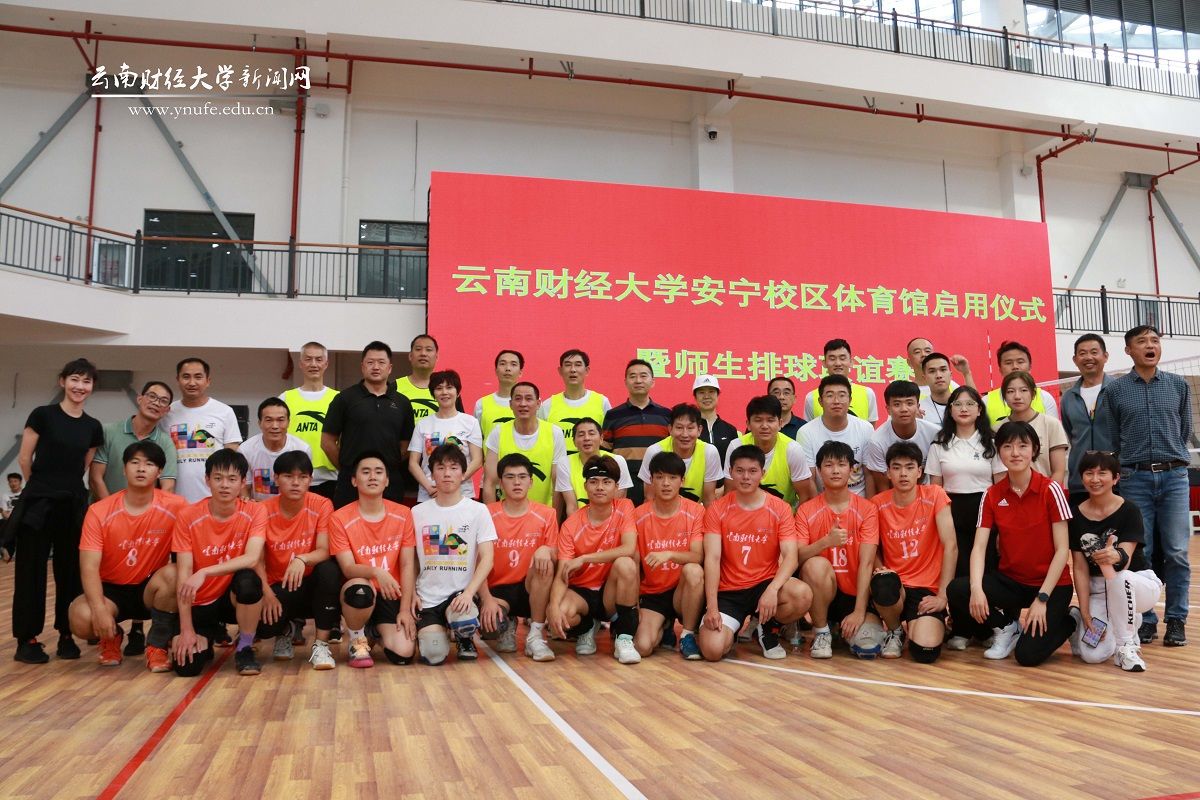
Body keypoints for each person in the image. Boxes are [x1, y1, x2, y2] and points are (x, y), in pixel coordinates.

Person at [946, 421, 1075, 666]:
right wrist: (976, 589)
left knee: (1027, 656)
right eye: (1007, 446)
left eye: (1022, 446)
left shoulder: (1051, 490)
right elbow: (979, 548)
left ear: (1034, 450)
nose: (1015, 453)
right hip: (1012, 582)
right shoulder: (992, 494)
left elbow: (1062, 551)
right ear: (999, 451)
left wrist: (1042, 598)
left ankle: (1071, 620)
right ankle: (1007, 627)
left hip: (1051, 585)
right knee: (958, 589)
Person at [10, 358, 104, 664]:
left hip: (72, 504)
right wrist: (40, 487)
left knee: (70, 572)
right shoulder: (43, 415)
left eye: (86, 381)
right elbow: (25, 458)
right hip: (38, 503)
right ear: (63, 381)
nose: (80, 386)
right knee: (31, 573)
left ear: (92, 387)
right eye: (75, 379)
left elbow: (84, 466)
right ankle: (27, 640)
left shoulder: (92, 426)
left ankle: (67, 634)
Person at [1106, 325, 1191, 647]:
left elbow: (1184, 430)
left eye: (1154, 340)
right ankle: (1147, 620)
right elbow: (1113, 436)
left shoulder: (1178, 386)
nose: (1150, 345)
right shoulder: (1116, 390)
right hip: (1135, 479)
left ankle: (1176, 620)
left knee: (1177, 552)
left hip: (1174, 477)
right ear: (1129, 350)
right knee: (1142, 552)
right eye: (1141, 342)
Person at [68, 442, 186, 669]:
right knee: (80, 617)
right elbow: (89, 567)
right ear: (124, 469)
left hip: (149, 588)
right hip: (111, 590)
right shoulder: (99, 511)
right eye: (134, 463)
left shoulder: (176, 506)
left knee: (174, 573)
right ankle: (111, 638)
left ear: (159, 472)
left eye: (149, 464)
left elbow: (205, 519)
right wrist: (100, 611)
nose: (141, 468)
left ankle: (157, 645)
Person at [699, 445, 813, 661]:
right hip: (729, 590)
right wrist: (711, 606)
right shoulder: (717, 509)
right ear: (730, 472)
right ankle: (731, 631)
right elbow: (712, 559)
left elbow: (791, 557)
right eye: (739, 471)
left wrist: (773, 589)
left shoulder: (780, 508)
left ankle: (767, 627)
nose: (746, 477)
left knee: (802, 594)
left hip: (764, 585)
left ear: (763, 473)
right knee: (712, 651)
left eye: (752, 471)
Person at [160, 448, 267, 677]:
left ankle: (245, 647)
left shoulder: (255, 511)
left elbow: (251, 558)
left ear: (243, 482)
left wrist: (205, 571)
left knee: (249, 582)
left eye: (232, 479)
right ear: (207, 480)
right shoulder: (188, 516)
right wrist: (186, 629)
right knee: (187, 668)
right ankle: (204, 639)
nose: (224, 485)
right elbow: (184, 573)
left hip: (231, 599)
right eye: (218, 478)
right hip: (201, 601)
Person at [1068, 451, 1163, 672]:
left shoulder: (1130, 510)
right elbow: (1080, 568)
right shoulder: (1075, 516)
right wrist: (1085, 612)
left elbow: (1124, 563)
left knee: (1120, 579)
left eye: (1102, 473)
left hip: (1137, 584)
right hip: (1099, 591)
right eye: (1089, 473)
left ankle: (1125, 646)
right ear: (1082, 477)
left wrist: (1116, 556)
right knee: (1092, 655)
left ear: (1116, 478)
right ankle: (1078, 620)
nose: (1095, 479)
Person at [547, 457, 641, 664]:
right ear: (585, 486)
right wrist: (553, 606)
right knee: (561, 614)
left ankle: (624, 638)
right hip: (582, 593)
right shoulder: (571, 525)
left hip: (610, 591)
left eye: (606, 482)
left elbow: (628, 548)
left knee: (626, 563)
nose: (600, 487)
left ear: (616, 487)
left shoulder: (625, 507)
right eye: (594, 482)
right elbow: (563, 572)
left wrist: (585, 558)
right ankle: (587, 627)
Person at [253, 451, 341, 670]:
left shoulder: (322, 504)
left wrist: (302, 559)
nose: (295, 483)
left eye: (302, 477)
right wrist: (267, 594)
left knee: (329, 571)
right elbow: (256, 560)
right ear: (276, 479)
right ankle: (284, 630)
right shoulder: (262, 510)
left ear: (310, 480)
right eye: (288, 476)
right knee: (264, 627)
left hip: (311, 585)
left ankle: (321, 645)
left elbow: (325, 550)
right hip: (279, 586)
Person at [328, 452, 417, 668]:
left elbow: (407, 565)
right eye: (365, 472)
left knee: (404, 654)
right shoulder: (339, 518)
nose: (372, 477)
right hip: (360, 591)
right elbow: (348, 568)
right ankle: (357, 640)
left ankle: (374, 631)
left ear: (387, 481)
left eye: (378, 472)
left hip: (391, 592)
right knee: (360, 590)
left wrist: (405, 609)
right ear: (354, 480)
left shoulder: (404, 514)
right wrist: (377, 572)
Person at [870, 443, 957, 662]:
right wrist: (881, 570)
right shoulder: (877, 504)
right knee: (883, 583)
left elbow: (951, 546)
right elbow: (871, 549)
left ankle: (922, 626)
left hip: (926, 589)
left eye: (909, 467)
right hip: (896, 586)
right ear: (888, 473)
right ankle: (895, 630)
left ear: (919, 472)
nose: (903, 474)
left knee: (925, 653)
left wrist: (943, 596)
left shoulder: (935, 495)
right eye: (896, 467)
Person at [795, 442, 882, 659]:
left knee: (867, 647)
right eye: (828, 465)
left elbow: (867, 563)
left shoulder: (868, 509)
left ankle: (843, 627)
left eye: (841, 464)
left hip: (855, 594)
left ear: (852, 469)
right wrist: (825, 542)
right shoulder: (806, 510)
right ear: (818, 470)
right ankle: (822, 631)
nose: (835, 470)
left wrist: (859, 611)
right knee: (815, 565)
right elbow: (797, 556)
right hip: (822, 594)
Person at [411, 445, 496, 665]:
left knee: (464, 618)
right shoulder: (417, 513)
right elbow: (411, 560)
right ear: (432, 474)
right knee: (433, 655)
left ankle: (464, 637)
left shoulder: (478, 510)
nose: (447, 473)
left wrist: (469, 593)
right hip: (428, 597)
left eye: (453, 467)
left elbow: (487, 558)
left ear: (463, 473)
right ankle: (437, 631)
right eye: (440, 468)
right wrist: (411, 592)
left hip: (460, 595)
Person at [479, 453, 558, 661]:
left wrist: (546, 550)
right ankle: (508, 623)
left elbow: (556, 552)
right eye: (510, 477)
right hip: (497, 590)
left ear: (531, 482)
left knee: (546, 563)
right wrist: (486, 600)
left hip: (530, 587)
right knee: (490, 627)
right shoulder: (486, 514)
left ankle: (535, 636)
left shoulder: (547, 514)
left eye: (522, 477)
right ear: (500, 483)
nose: (517, 482)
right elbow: (476, 562)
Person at [925, 385, 1005, 584]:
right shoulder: (939, 444)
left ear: (979, 410)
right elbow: (935, 489)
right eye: (958, 404)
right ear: (950, 410)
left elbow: (1001, 487)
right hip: (951, 510)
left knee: (988, 563)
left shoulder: (992, 442)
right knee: (959, 565)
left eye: (970, 404)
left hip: (985, 508)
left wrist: (1002, 523)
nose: (964, 409)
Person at [321, 341, 415, 508]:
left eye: (381, 362)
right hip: (351, 483)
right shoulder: (344, 398)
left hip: (390, 482)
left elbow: (406, 444)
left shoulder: (402, 402)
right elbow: (327, 441)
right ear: (362, 367)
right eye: (370, 362)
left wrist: (388, 466)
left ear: (390, 368)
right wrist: (349, 468)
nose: (376, 367)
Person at [633, 452, 705, 659]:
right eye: (659, 477)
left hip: (684, 591)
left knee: (693, 570)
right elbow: (634, 563)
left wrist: (669, 554)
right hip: (653, 592)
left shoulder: (696, 512)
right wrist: (634, 607)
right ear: (651, 480)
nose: (666, 483)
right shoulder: (638, 515)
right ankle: (663, 625)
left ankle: (687, 634)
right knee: (642, 647)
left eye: (672, 478)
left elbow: (698, 556)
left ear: (682, 481)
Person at [161, 357, 243, 503]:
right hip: (175, 500)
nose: (192, 382)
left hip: (215, 501)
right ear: (178, 380)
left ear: (208, 381)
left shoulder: (224, 412)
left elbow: (233, 459)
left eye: (198, 377)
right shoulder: (167, 413)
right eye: (186, 377)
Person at [482, 381, 568, 508]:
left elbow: (558, 484)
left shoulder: (554, 433)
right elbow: (489, 482)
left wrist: (554, 518)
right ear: (510, 404)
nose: (523, 404)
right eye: (518, 399)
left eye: (528, 399)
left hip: (544, 513)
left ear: (538, 404)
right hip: (507, 513)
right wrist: (493, 516)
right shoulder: (498, 433)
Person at [723, 395, 816, 508]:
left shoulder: (792, 449)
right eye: (758, 420)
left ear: (780, 423)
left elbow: (805, 496)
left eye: (770, 420)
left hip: (783, 516)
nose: (764, 426)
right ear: (748, 424)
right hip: (743, 514)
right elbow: (729, 492)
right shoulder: (736, 446)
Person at [406, 369, 483, 503]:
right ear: (433, 394)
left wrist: (457, 480)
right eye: (439, 388)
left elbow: (477, 460)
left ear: (458, 392)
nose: (444, 392)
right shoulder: (423, 424)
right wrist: (429, 487)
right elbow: (413, 463)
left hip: (462, 493)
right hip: (430, 494)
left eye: (449, 387)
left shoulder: (470, 422)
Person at [91, 381, 178, 497]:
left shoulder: (166, 443)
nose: (156, 403)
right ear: (139, 399)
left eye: (163, 401)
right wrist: (111, 508)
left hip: (147, 508)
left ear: (167, 410)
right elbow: (95, 478)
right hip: (105, 506)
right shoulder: (108, 432)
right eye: (152, 396)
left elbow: (168, 486)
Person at [601, 358, 670, 506]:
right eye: (633, 376)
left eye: (643, 376)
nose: (638, 380)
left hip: (658, 483)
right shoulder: (613, 415)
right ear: (625, 382)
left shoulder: (666, 415)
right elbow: (605, 452)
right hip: (624, 483)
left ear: (653, 381)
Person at [796, 375, 874, 497]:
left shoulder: (865, 428)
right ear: (820, 401)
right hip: (823, 499)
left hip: (859, 498)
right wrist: (818, 506)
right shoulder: (806, 432)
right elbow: (810, 479)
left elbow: (869, 474)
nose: (836, 401)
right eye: (830, 395)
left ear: (850, 400)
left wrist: (870, 505)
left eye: (842, 395)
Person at [1060, 333, 1115, 506]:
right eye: (1082, 353)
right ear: (1075, 359)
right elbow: (1071, 434)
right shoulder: (1068, 397)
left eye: (1094, 352)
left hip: (1114, 481)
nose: (1088, 357)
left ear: (1105, 356)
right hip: (1080, 483)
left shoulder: (1119, 390)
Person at [281, 341, 340, 500]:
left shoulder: (339, 398)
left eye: (318, 359)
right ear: (301, 364)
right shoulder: (285, 398)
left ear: (326, 364)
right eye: (308, 359)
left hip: (330, 478)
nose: (313, 364)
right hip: (295, 477)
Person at [862, 380, 940, 496]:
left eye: (909, 403)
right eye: (897, 404)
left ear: (918, 406)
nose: (904, 409)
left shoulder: (934, 433)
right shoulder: (877, 441)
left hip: (925, 494)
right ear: (888, 409)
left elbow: (938, 478)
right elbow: (883, 488)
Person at [638, 404, 723, 506]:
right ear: (670, 429)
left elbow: (709, 500)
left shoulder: (709, 452)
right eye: (679, 427)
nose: (685, 434)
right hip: (661, 512)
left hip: (694, 513)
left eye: (690, 428)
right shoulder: (654, 452)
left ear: (699, 430)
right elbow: (649, 498)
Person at [995, 371, 1068, 485]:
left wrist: (1046, 493)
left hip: (1045, 492)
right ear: (1004, 396)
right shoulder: (997, 429)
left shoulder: (1051, 424)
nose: (1017, 396)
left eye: (1024, 390)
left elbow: (1058, 472)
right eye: (1010, 391)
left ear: (1033, 394)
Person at [539, 349, 611, 456]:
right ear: (560, 371)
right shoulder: (547, 406)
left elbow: (608, 442)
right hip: (559, 464)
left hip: (593, 464)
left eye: (578, 365)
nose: (573, 370)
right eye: (568, 365)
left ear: (587, 370)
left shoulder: (602, 402)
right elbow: (541, 441)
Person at [238, 398, 311, 501]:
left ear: (288, 422)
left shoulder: (302, 449)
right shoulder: (245, 450)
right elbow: (244, 488)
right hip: (259, 507)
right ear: (260, 423)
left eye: (280, 420)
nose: (275, 426)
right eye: (269, 420)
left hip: (291, 506)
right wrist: (251, 507)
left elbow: (304, 487)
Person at [558, 418, 633, 509]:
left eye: (591, 433)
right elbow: (571, 506)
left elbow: (619, 503)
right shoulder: (564, 463)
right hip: (579, 516)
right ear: (574, 442)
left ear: (601, 439)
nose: (586, 438)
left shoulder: (617, 461)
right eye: (581, 435)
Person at [802, 339, 879, 423]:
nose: (838, 363)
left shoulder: (867, 393)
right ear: (824, 363)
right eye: (832, 359)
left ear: (851, 362)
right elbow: (809, 427)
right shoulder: (811, 398)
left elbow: (871, 427)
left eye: (842, 358)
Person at [983, 340, 1060, 421]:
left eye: (1020, 362)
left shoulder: (1045, 398)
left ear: (1030, 367)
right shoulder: (986, 401)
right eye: (1008, 363)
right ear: (1000, 369)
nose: (1015, 366)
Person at [474, 349, 524, 441]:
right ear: (496, 371)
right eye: (503, 364)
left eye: (513, 364)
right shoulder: (481, 404)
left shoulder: (531, 404)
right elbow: (477, 440)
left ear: (520, 372)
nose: (508, 368)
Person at [906, 337, 975, 401]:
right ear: (909, 362)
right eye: (917, 352)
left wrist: (967, 373)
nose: (924, 354)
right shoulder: (908, 393)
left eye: (927, 351)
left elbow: (974, 403)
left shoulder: (949, 384)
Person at [692, 375, 739, 465]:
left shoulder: (730, 430)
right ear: (695, 397)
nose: (706, 396)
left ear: (718, 395)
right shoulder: (689, 429)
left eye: (711, 392)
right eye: (701, 392)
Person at [918, 352, 974, 425]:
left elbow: (975, 403)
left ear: (950, 375)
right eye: (932, 371)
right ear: (924, 378)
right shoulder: (919, 410)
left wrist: (967, 373)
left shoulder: (964, 404)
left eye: (943, 370)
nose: (938, 375)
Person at [395, 333, 439, 422]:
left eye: (428, 350)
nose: (423, 353)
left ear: (436, 357)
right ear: (410, 356)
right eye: (418, 349)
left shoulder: (447, 389)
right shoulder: (394, 387)